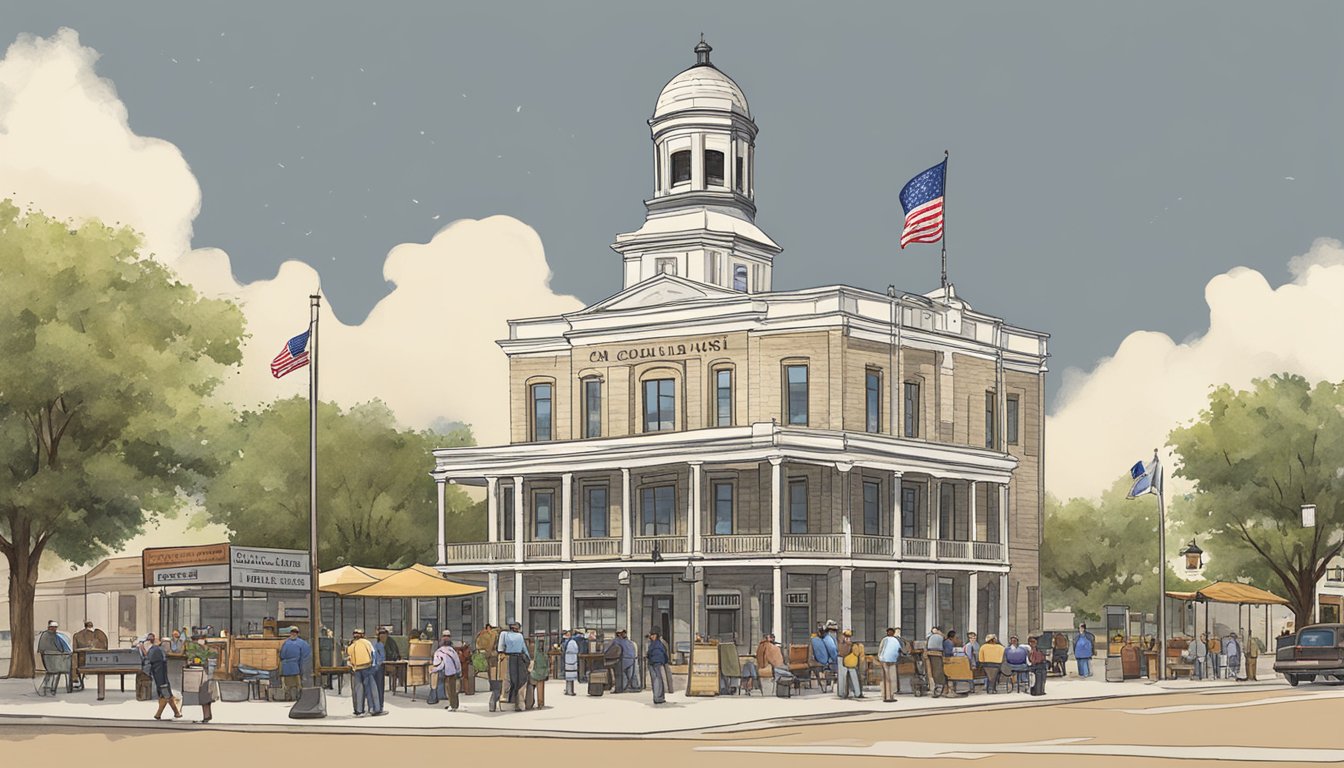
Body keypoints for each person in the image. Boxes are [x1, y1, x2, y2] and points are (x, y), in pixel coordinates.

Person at [140, 633, 183, 720]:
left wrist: (144, 651)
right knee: (166, 694)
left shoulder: (154, 650)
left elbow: (148, 660)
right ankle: (175, 713)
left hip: (159, 674)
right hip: (160, 674)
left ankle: (160, 714)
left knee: (165, 693)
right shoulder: (156, 649)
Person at [346, 629, 384, 717]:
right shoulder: (366, 643)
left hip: (356, 669)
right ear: (363, 635)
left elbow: (348, 657)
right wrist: (374, 666)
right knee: (371, 688)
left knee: (358, 689)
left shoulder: (352, 645)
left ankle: (359, 710)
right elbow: (373, 654)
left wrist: (352, 667)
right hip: (367, 667)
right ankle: (375, 708)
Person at [182, 631, 216, 724]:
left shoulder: (206, 650)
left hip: (206, 674)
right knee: (205, 696)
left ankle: (206, 716)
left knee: (205, 695)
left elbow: (203, 657)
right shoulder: (203, 649)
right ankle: (207, 715)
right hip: (206, 673)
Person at [496, 620, 530, 712]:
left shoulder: (504, 634)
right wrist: (528, 660)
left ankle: (508, 700)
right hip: (519, 659)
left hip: (508, 658)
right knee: (521, 680)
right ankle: (518, 703)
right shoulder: (520, 636)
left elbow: (500, 648)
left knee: (509, 680)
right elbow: (524, 649)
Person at [429, 630, 462, 711]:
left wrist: (433, 670)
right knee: (453, 689)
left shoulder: (439, 651)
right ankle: (454, 705)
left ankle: (452, 705)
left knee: (448, 689)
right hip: (453, 672)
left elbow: (438, 664)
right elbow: (457, 662)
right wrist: (459, 671)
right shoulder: (453, 651)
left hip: (444, 672)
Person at [36, 620, 71, 696]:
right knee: (66, 670)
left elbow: (41, 650)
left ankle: (49, 688)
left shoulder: (44, 635)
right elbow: (61, 648)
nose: (55, 629)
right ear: (50, 627)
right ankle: (67, 688)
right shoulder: (53, 636)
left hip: (48, 661)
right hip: (56, 661)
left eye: (55, 627)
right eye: (54, 627)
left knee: (53, 672)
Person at [279, 626, 311, 700]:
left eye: (295, 632)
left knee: (295, 683)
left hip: (294, 666)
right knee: (291, 684)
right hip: (290, 666)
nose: (293, 634)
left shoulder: (300, 643)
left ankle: (295, 696)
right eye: (292, 632)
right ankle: (291, 696)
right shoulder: (287, 643)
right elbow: (282, 655)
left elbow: (305, 656)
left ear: (297, 633)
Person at [475, 623, 499, 701]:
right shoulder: (493, 634)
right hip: (491, 654)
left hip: (484, 653)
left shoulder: (481, 634)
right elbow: (491, 645)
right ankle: (494, 686)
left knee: (490, 671)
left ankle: (492, 685)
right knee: (493, 671)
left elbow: (477, 644)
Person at [877, 627, 902, 702]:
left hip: (889, 661)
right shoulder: (889, 640)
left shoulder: (889, 640)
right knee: (888, 679)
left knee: (890, 679)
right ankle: (887, 695)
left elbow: (881, 649)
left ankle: (889, 695)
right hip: (887, 661)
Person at [838, 630, 864, 699]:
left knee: (843, 678)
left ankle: (843, 693)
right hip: (849, 662)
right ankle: (856, 693)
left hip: (843, 660)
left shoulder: (842, 641)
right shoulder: (849, 643)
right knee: (852, 677)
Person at [646, 629, 670, 704]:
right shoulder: (659, 644)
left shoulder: (654, 644)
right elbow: (664, 653)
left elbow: (650, 653)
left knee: (656, 680)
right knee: (658, 679)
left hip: (654, 663)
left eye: (653, 635)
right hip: (657, 662)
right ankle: (659, 697)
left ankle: (657, 697)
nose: (652, 636)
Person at [525, 635, 549, 709]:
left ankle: (529, 704)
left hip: (533, 673)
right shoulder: (544, 654)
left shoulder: (530, 649)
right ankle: (540, 703)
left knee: (530, 686)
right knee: (540, 687)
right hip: (542, 674)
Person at [925, 626, 946, 697]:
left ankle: (939, 686)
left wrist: (940, 633)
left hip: (938, 653)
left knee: (938, 670)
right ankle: (934, 686)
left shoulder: (941, 636)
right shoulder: (930, 635)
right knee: (930, 671)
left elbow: (945, 639)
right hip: (929, 653)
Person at [562, 629, 581, 696]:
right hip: (572, 660)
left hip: (567, 660)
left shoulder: (564, 642)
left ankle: (567, 690)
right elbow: (576, 649)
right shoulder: (572, 642)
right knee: (571, 677)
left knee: (568, 677)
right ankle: (570, 691)